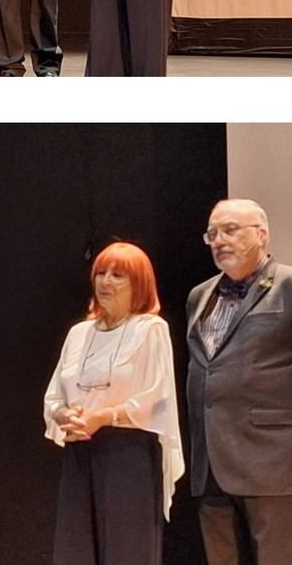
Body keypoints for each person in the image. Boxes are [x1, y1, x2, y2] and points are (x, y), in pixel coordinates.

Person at [44, 241, 184, 565]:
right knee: (76, 550)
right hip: (80, 450)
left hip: (128, 454)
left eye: (118, 275)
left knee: (127, 550)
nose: (105, 282)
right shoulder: (78, 333)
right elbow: (54, 396)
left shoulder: (150, 329)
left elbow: (156, 396)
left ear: (139, 283)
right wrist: (66, 415)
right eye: (100, 273)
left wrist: (103, 416)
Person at [186, 198, 292, 565]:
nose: (219, 240)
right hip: (211, 461)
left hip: (274, 462)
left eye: (231, 230)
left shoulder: (288, 285)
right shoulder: (200, 296)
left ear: (262, 235)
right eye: (212, 233)